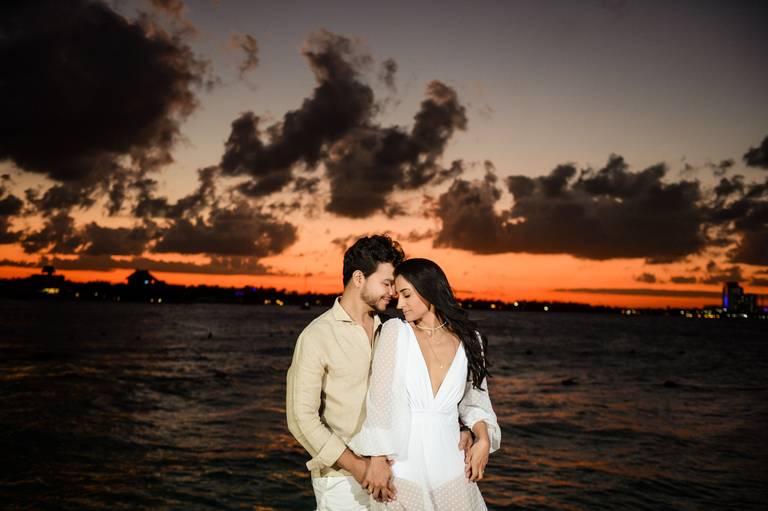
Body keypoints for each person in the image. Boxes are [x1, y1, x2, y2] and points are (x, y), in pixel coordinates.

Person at [348, 258, 501, 510]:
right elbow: (380, 400)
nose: (400, 304)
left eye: (407, 294)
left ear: (429, 289)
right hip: (403, 468)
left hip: (452, 467)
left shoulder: (470, 340)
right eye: (398, 296)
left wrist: (483, 439)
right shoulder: (396, 332)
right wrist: (377, 459)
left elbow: (475, 403)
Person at [286, 235, 407, 510]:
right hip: (342, 481)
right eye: (386, 283)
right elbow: (301, 418)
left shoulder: (392, 330)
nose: (393, 292)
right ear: (359, 278)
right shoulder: (317, 336)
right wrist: (357, 466)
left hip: (393, 474)